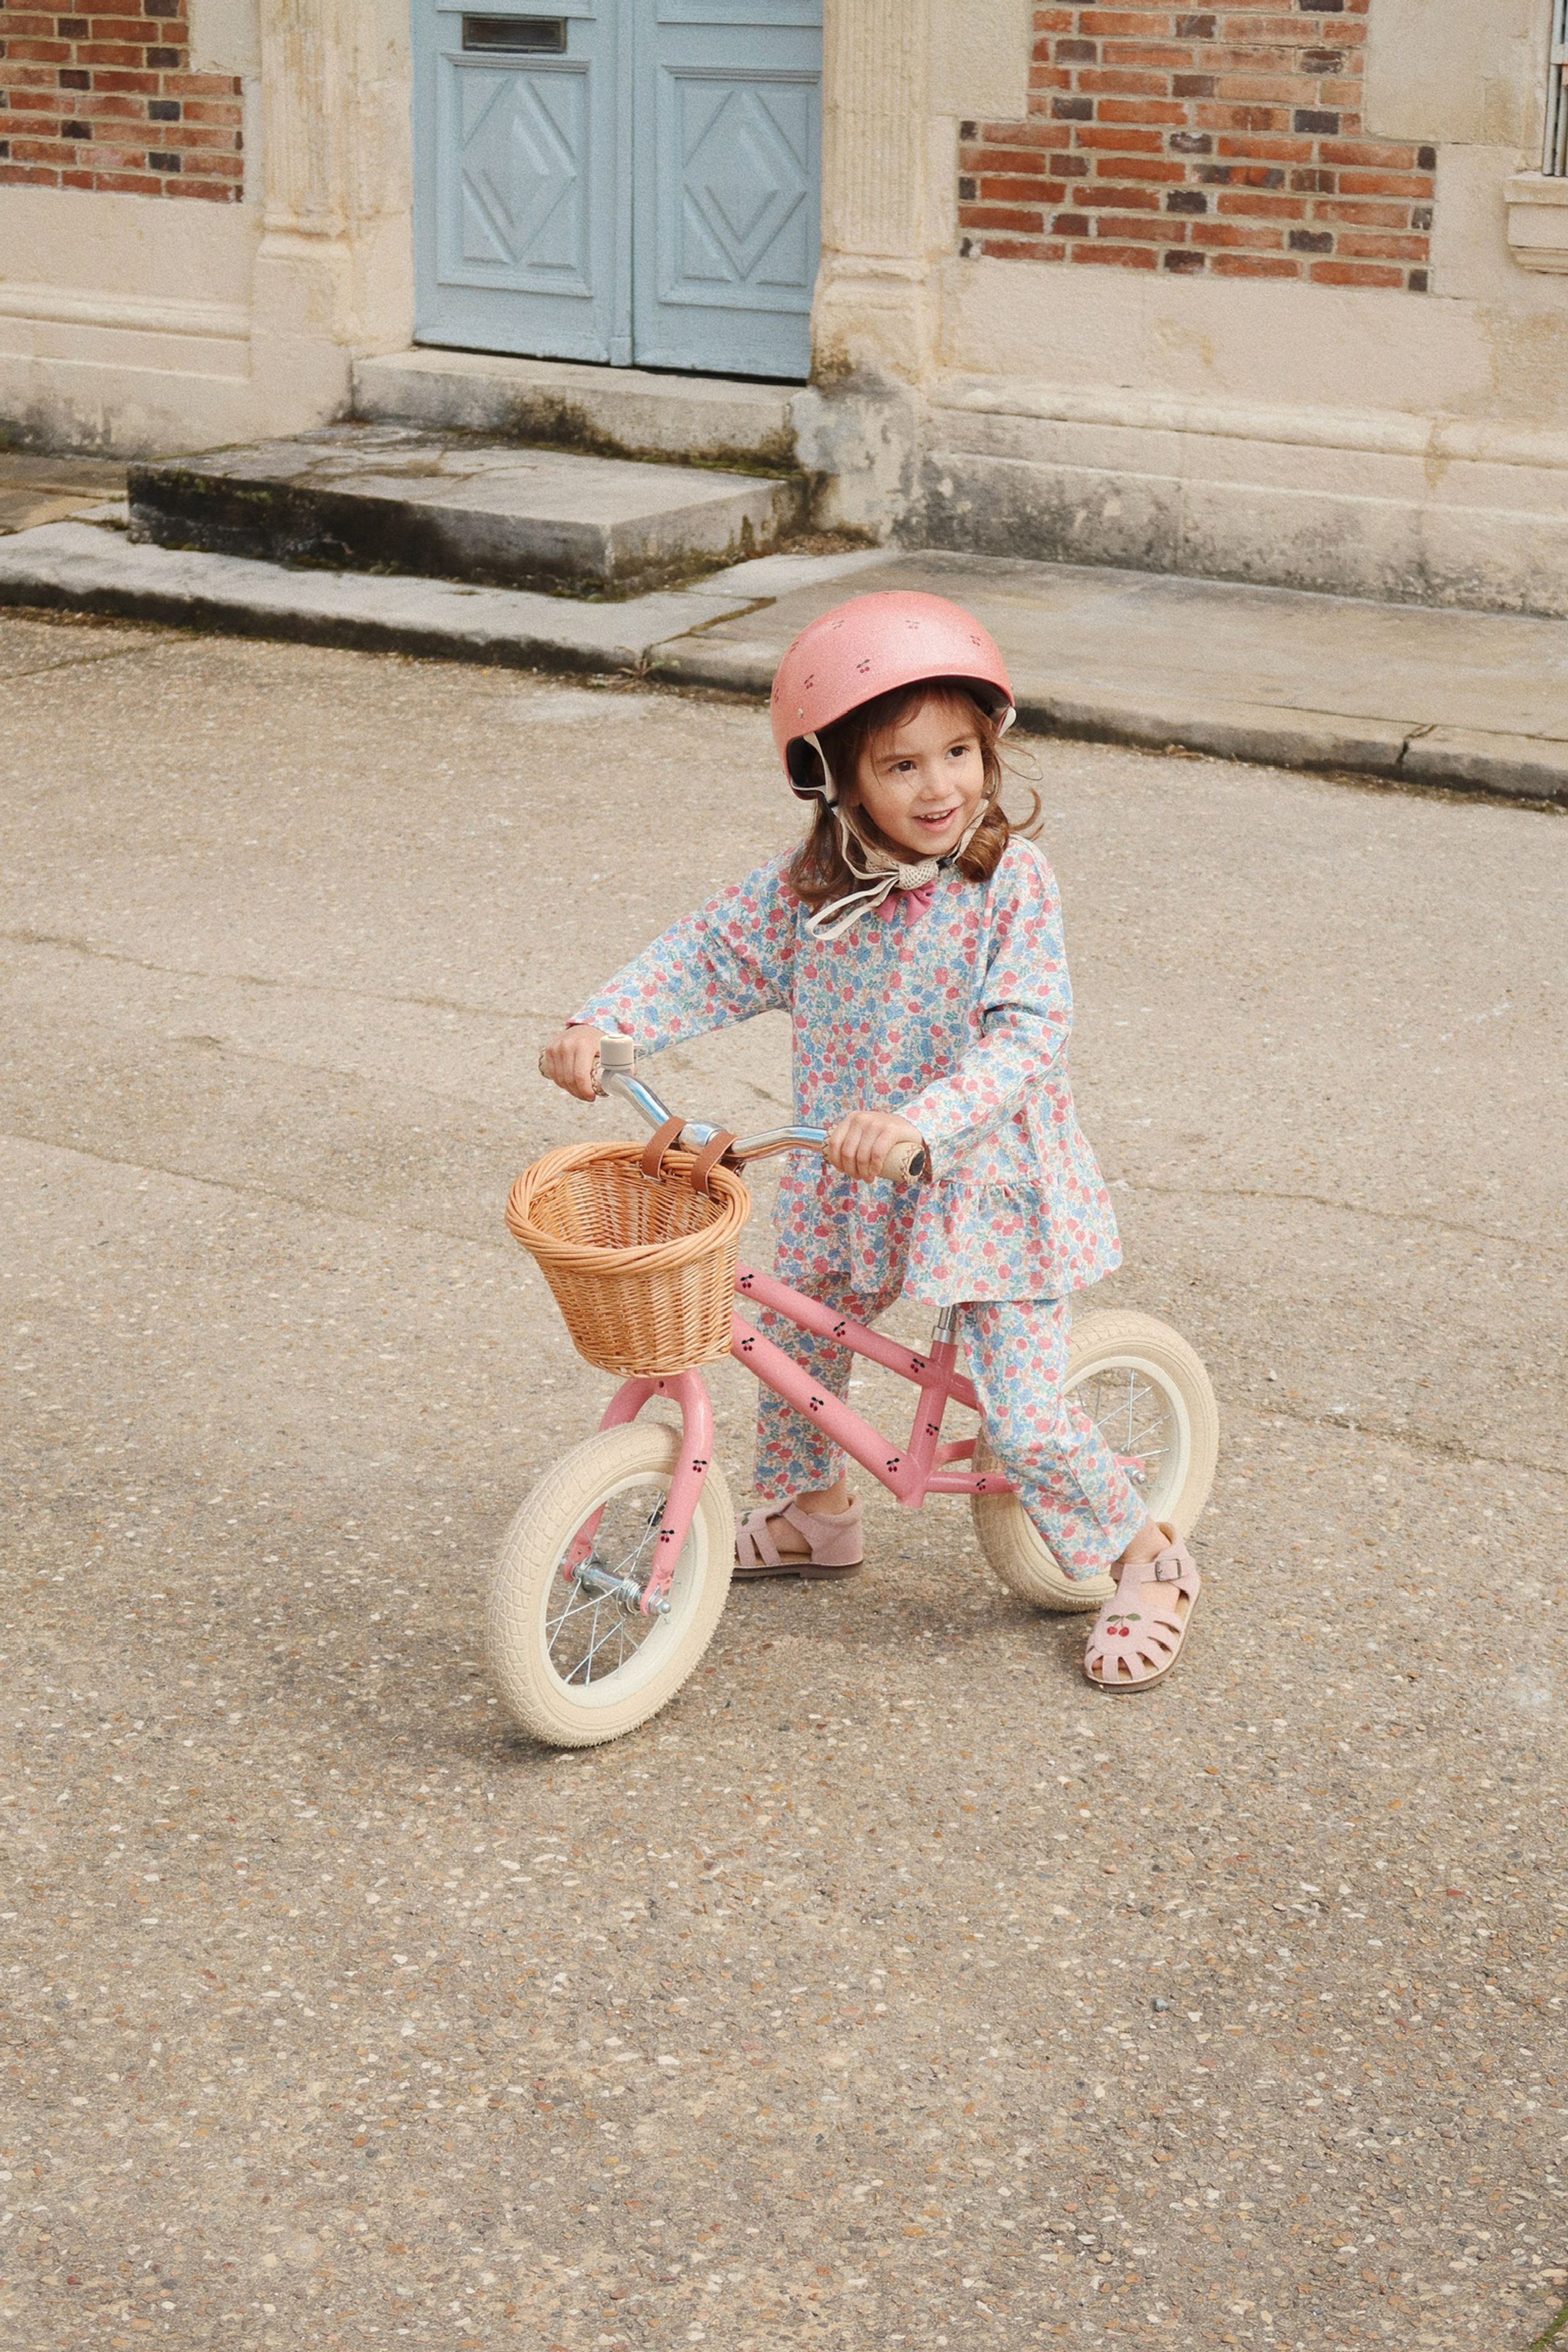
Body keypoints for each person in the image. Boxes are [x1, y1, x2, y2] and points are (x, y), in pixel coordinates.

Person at [539, 592, 1199, 1691]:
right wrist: (604, 1022)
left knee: (1026, 1416)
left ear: (991, 750)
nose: (940, 786)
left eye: (958, 753)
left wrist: (923, 1118)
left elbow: (1028, 1033)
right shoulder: (810, 892)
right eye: (901, 766)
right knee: (789, 1329)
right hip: (851, 1177)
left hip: (983, 1180)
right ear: (833, 777)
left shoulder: (1010, 886)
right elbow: (705, 956)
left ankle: (1148, 1556)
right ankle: (813, 1513)